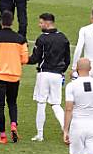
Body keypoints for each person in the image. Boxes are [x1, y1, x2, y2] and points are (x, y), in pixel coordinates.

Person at [0, 11, 29, 145]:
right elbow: (25, 59)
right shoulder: (20, 39)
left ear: (1, 22)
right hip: (14, 76)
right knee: (12, 103)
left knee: (0, 105)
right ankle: (13, 124)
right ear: (12, 22)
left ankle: (2, 135)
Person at [29, 12, 70, 142]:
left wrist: (22, 59)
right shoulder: (63, 38)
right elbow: (67, 59)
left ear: (47, 23)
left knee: (41, 103)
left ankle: (40, 134)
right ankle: (67, 131)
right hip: (57, 75)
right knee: (56, 104)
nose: (39, 25)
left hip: (44, 74)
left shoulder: (42, 38)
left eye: (41, 22)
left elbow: (35, 58)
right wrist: (61, 70)